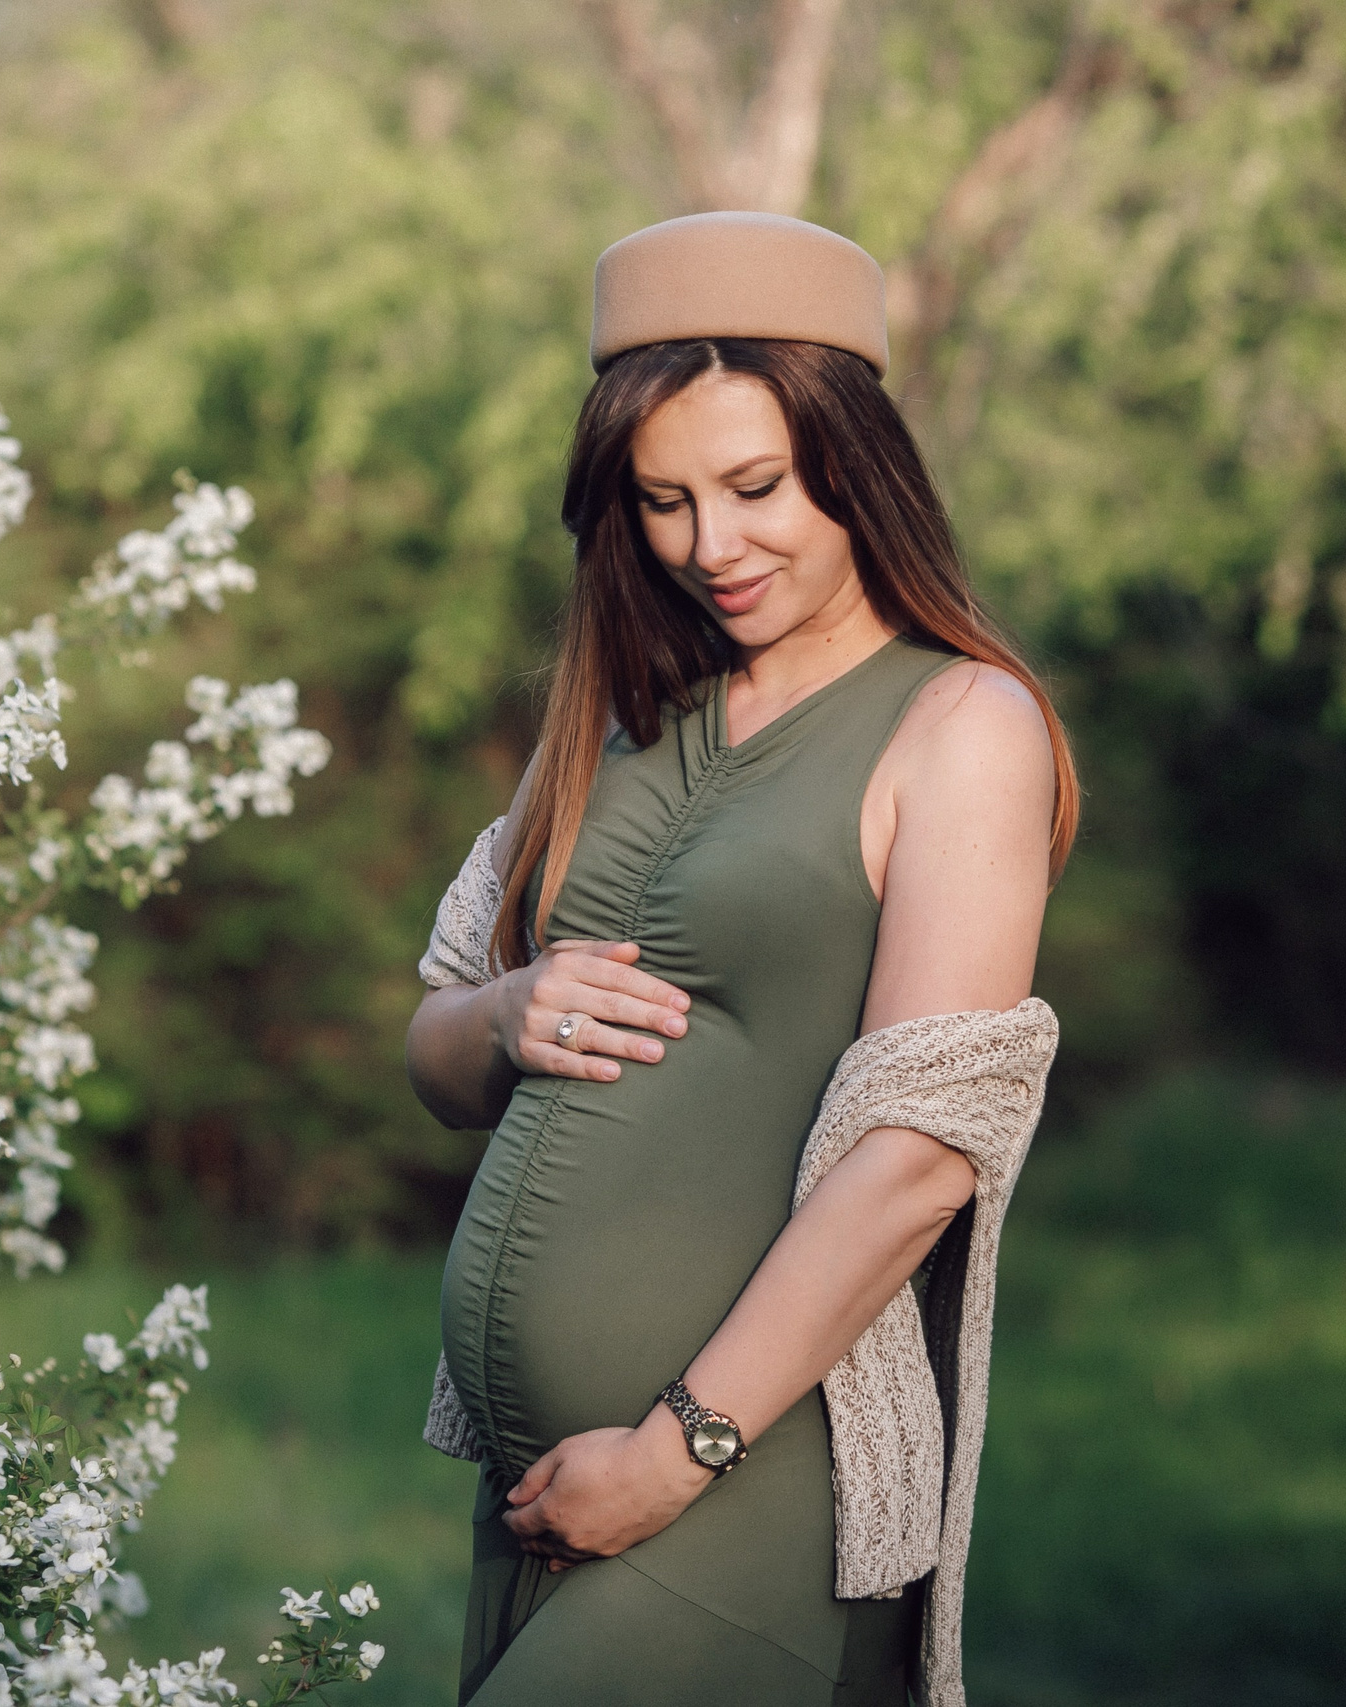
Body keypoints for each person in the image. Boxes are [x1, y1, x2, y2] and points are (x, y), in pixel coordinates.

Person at [406, 211, 1080, 1707]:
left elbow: (919, 1158)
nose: (713, 547)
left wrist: (674, 1451)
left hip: (733, 1484)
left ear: (856, 464)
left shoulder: (962, 727)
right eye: (662, 502)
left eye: (756, 486)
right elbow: (434, 1051)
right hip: (539, 1497)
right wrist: (510, 1012)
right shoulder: (620, 719)